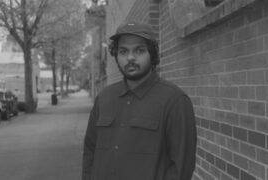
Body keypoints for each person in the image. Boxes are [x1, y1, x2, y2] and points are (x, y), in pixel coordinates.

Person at [82, 21, 197, 180]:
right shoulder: (104, 98)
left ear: (152, 54)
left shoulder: (175, 101)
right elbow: (89, 153)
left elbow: (181, 168)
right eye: (123, 51)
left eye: (139, 50)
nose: (130, 57)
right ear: (116, 54)